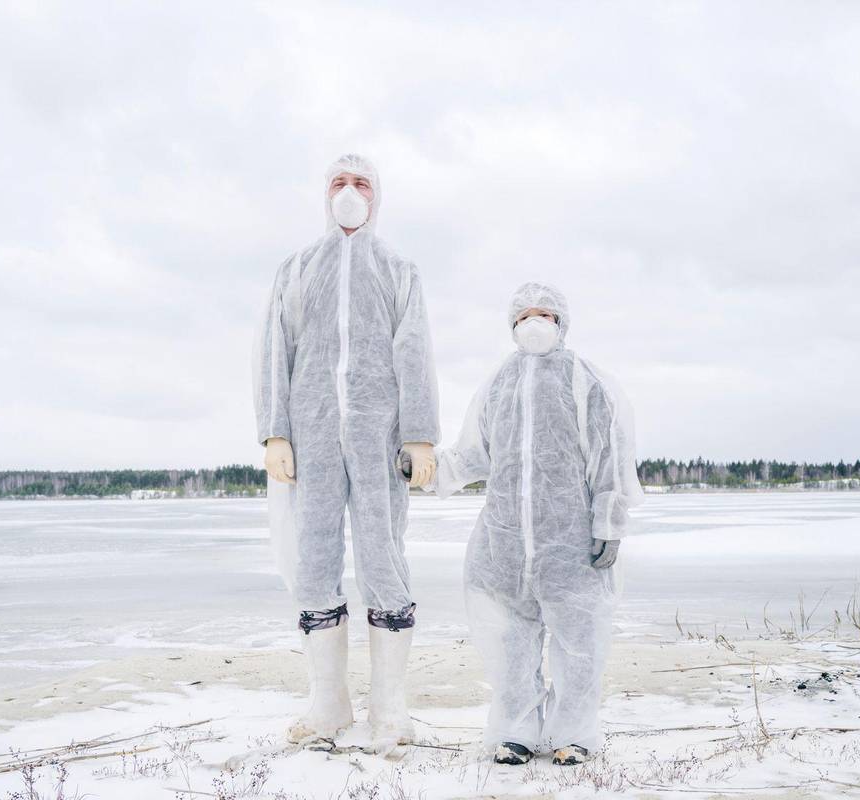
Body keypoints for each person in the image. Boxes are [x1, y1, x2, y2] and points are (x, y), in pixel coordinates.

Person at [253, 154, 440, 753]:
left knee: (384, 557)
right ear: (324, 194)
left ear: (377, 196)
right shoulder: (297, 268)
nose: (349, 191)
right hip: (311, 439)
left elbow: (415, 351)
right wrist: (275, 432)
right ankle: (328, 703)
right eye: (339, 182)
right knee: (313, 558)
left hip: (379, 437)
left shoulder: (398, 269)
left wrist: (419, 433)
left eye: (361, 183)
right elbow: (273, 349)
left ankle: (390, 709)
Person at [426, 282, 643, 766]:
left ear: (562, 322)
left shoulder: (586, 381)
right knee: (511, 644)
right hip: (504, 544)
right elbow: (471, 455)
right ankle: (515, 732)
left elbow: (610, 457)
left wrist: (609, 521)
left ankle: (575, 734)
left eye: (544, 313)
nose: (534, 321)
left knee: (579, 646)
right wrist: (426, 468)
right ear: (512, 325)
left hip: (570, 545)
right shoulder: (499, 382)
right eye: (525, 314)